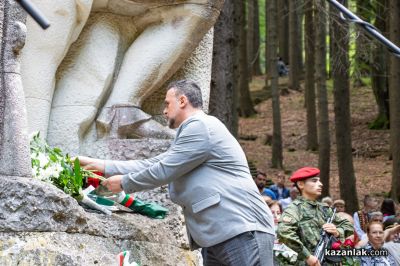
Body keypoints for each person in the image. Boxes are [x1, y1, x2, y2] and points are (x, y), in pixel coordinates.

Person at [77, 80, 275, 265]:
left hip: (240, 228)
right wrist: (99, 165)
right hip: (218, 234)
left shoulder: (200, 126)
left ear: (182, 101)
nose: (164, 111)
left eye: (167, 103)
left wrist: (123, 183)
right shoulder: (193, 131)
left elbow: (163, 170)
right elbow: (155, 163)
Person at [277, 167, 353, 266]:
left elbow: (348, 225)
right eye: (314, 181)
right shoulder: (294, 209)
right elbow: (284, 232)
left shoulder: (324, 209)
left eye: (319, 181)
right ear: (301, 184)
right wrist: (307, 256)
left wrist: (337, 231)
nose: (320, 184)